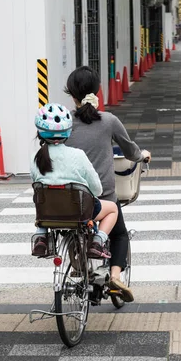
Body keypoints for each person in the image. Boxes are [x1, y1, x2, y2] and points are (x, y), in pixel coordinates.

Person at [63, 66, 151, 303]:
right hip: (102, 196)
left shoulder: (62, 123)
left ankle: (79, 266)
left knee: (71, 226)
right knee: (120, 234)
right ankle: (114, 276)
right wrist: (142, 155)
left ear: (71, 94)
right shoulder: (108, 121)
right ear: (97, 91)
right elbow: (131, 151)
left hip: (68, 196)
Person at [30, 103, 118, 260]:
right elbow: (97, 189)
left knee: (43, 200)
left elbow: (36, 186)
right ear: (68, 131)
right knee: (112, 209)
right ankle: (97, 243)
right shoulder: (78, 155)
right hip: (79, 212)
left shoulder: (36, 158)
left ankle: (41, 236)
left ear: (40, 132)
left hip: (48, 213)